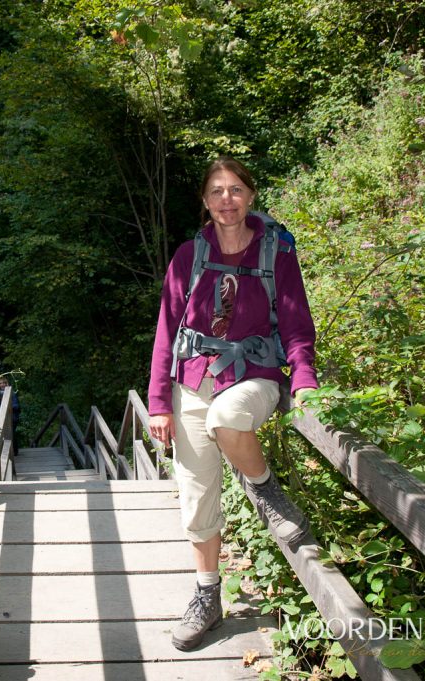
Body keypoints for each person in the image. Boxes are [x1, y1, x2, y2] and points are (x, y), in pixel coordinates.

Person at [147, 156, 318, 651]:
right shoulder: (188, 256)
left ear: (251, 195)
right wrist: (159, 402)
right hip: (191, 383)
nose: (227, 199)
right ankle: (207, 597)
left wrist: (303, 380)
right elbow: (165, 332)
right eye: (217, 191)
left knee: (228, 417)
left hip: (253, 377)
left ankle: (264, 491)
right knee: (197, 497)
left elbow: (297, 323)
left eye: (236, 189)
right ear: (205, 200)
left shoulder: (276, 254)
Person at [0, 375, 20, 455]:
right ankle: (8, 452)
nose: (2, 385)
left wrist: (6, 407)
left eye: (3, 383)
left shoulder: (12, 393)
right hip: (3, 417)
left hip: (12, 417)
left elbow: (16, 406)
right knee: (4, 434)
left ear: (6, 384)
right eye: (0, 383)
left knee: (11, 434)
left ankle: (15, 452)